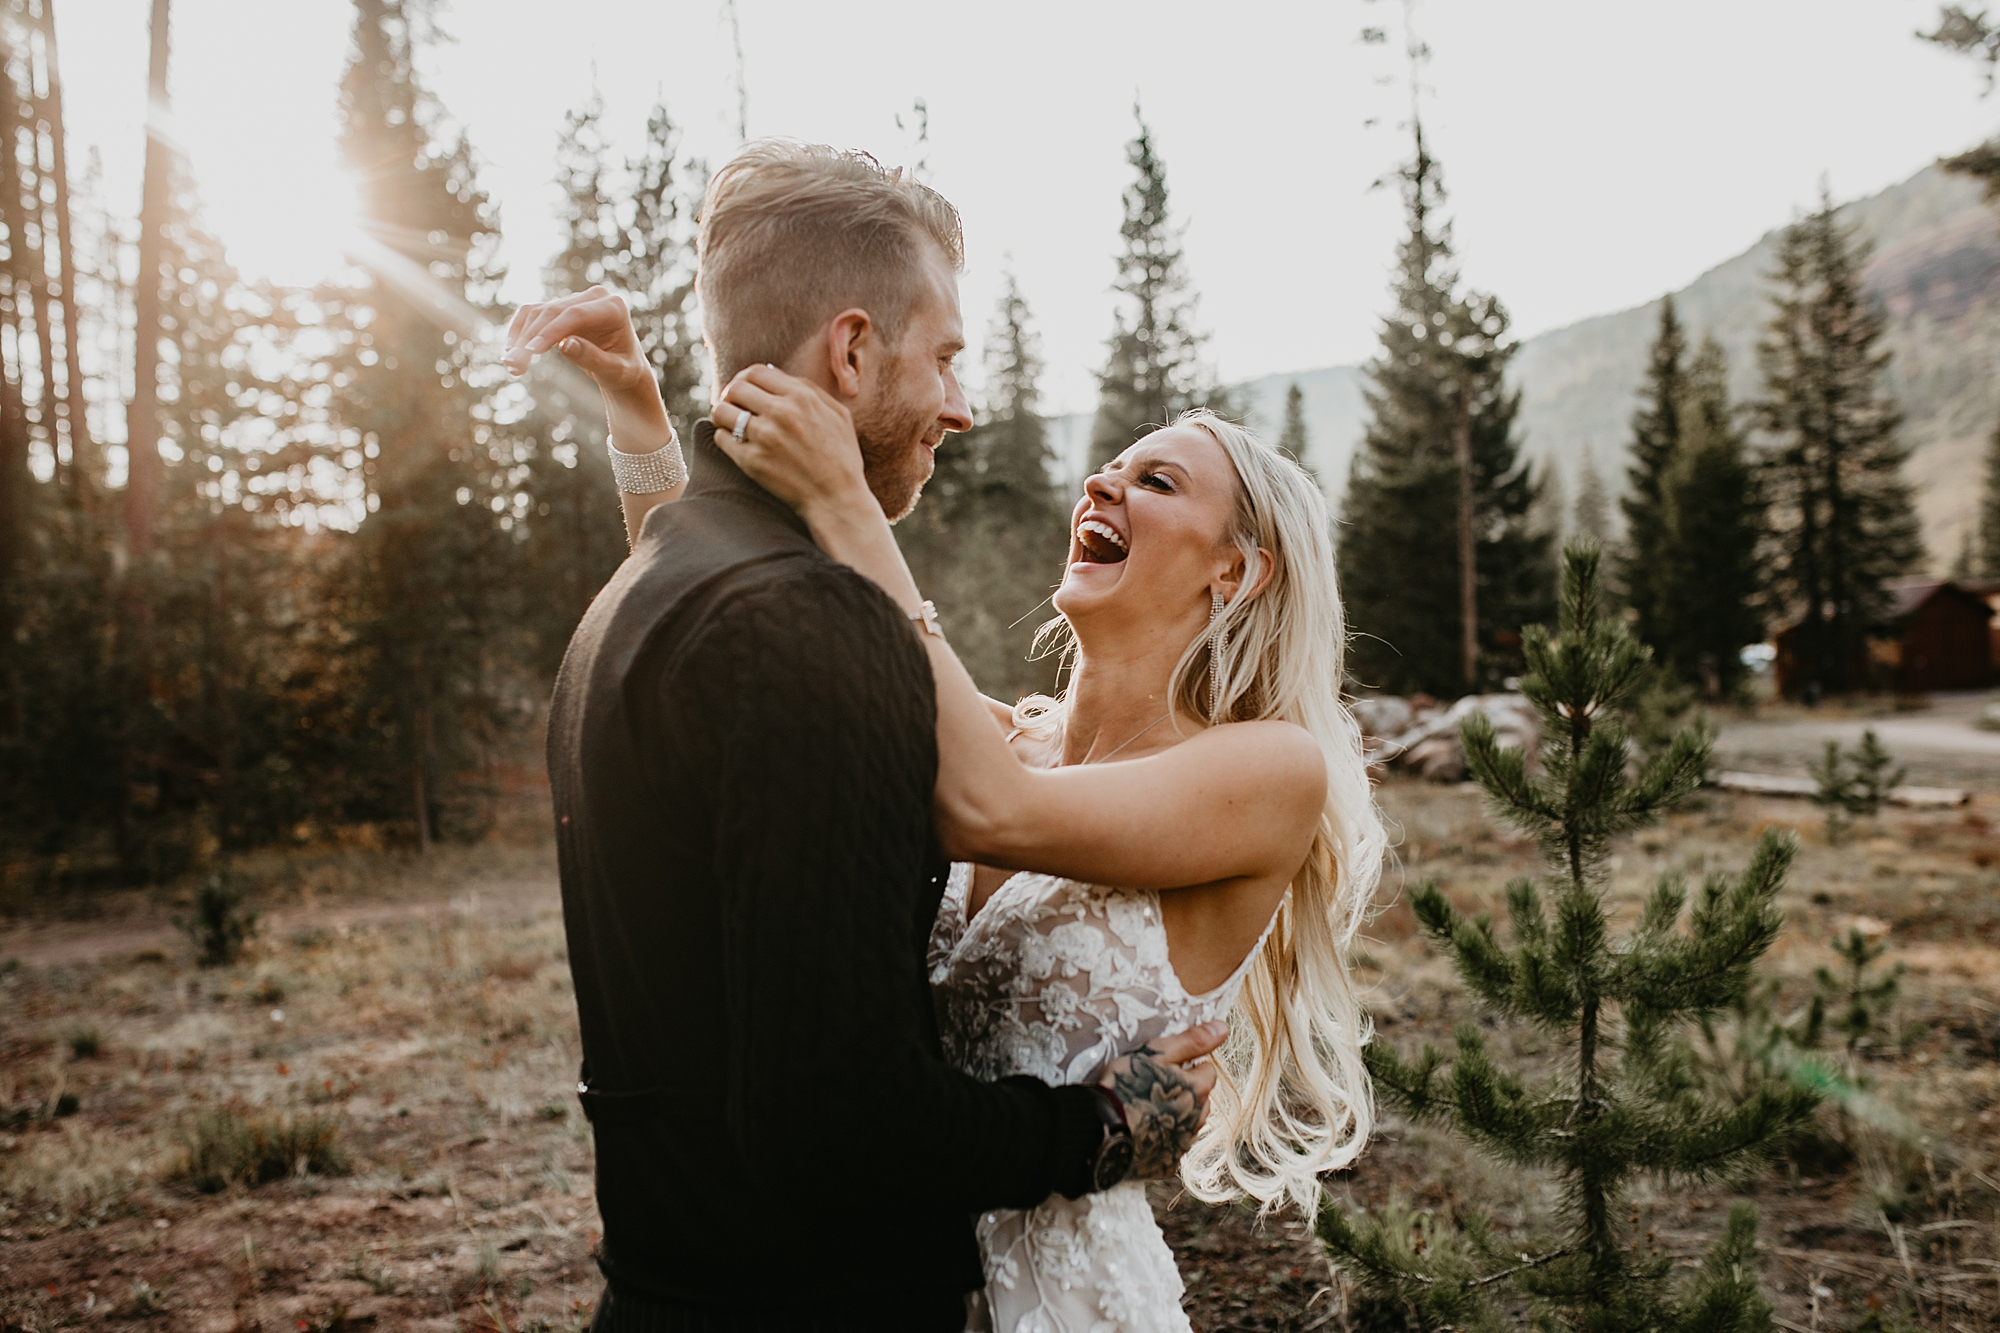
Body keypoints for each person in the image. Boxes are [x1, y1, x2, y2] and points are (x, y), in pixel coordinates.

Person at [510, 141, 1228, 1332]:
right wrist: (1093, 1128)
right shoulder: (811, 625)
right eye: (943, 354)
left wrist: (643, 408)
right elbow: (835, 1112)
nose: (961, 402)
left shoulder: (639, 596)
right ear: (851, 350)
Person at [704, 368, 1388, 1331]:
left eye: (1156, 483)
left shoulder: (1270, 770)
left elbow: (991, 812)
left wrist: (847, 504)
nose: (1101, 487)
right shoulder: (1007, 742)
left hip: (1068, 1303)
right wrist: (640, 419)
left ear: (1234, 571)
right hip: (890, 1280)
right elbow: (735, 653)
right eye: (1108, 471)